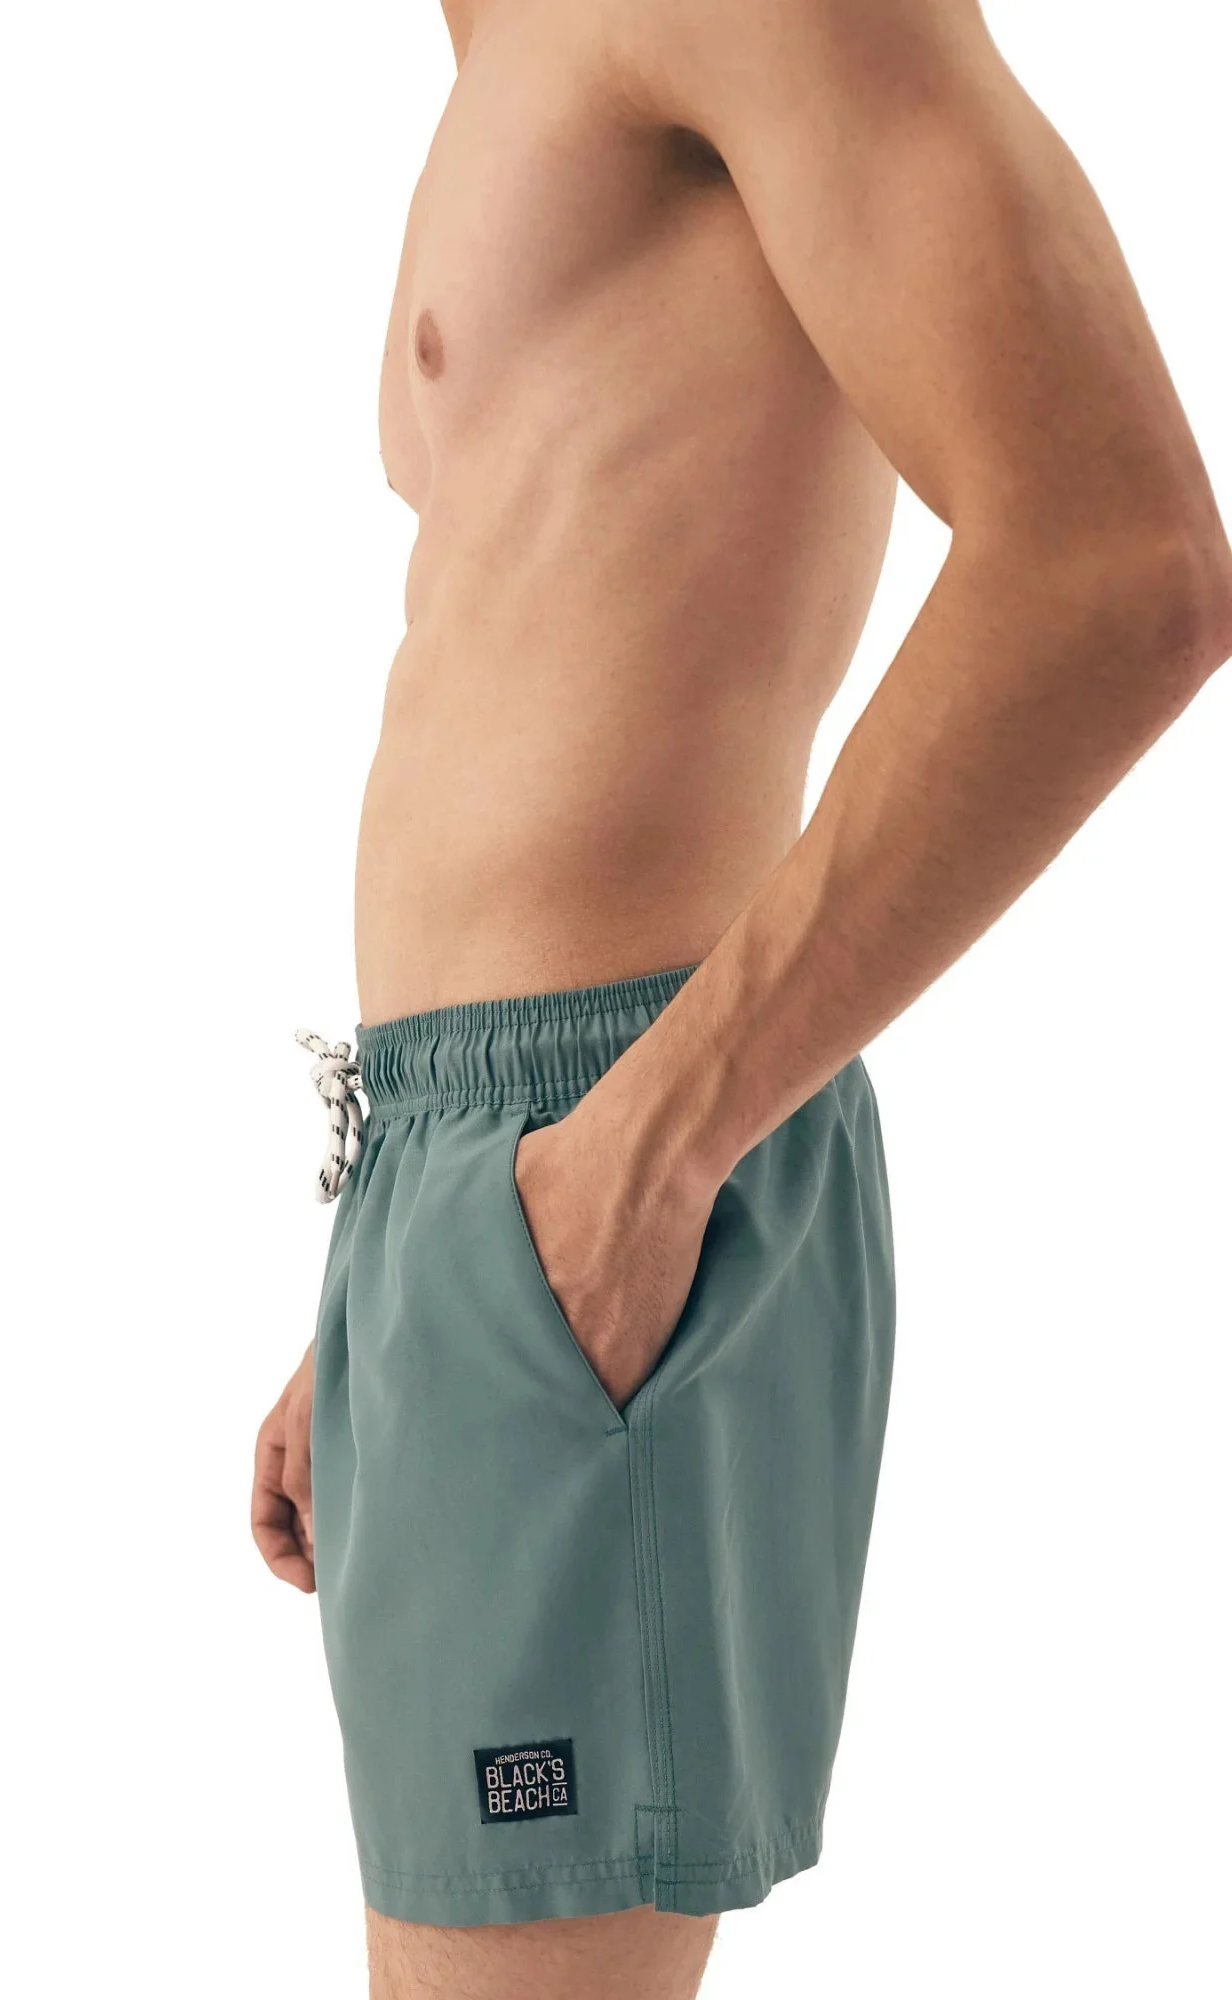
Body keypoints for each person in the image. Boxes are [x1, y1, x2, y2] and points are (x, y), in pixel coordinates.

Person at [252, 2, 1232, 1994]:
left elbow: (1122, 563)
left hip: (610, 1164)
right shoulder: (496, 56)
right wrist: (392, 1285)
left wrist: (646, 1148)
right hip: (466, 1182)